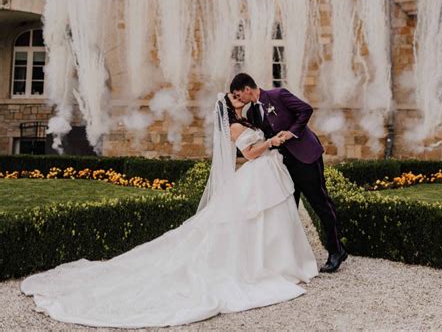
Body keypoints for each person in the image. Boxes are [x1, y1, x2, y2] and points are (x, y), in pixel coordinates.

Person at [20, 92, 318, 328]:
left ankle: (274, 260)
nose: (239, 98)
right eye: (234, 97)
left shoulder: (249, 118)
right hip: (257, 170)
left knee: (261, 220)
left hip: (263, 173)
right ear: (228, 107)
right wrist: (272, 142)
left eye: (239, 95)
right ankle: (266, 265)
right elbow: (250, 153)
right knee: (253, 220)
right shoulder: (236, 125)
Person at [230, 73, 347, 273]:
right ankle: (291, 258)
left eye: (238, 94)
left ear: (247, 89)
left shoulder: (278, 95)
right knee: (288, 210)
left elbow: (306, 110)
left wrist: (291, 132)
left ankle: (336, 250)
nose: (238, 98)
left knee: (320, 204)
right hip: (282, 166)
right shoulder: (252, 113)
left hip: (306, 159)